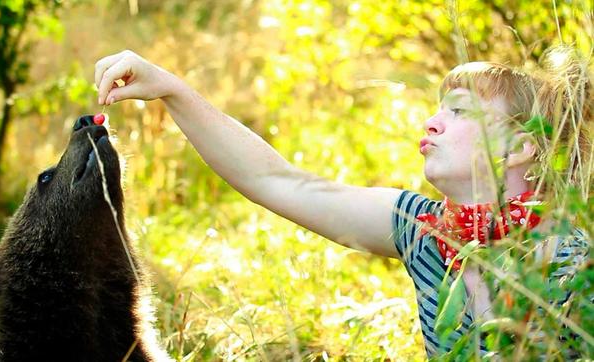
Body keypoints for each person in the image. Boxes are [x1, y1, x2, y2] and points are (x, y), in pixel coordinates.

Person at [93, 47, 590, 358]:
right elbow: (273, 180)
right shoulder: (424, 232)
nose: (432, 124)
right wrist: (172, 90)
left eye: (458, 112)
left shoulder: (572, 260)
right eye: (436, 110)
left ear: (521, 147)